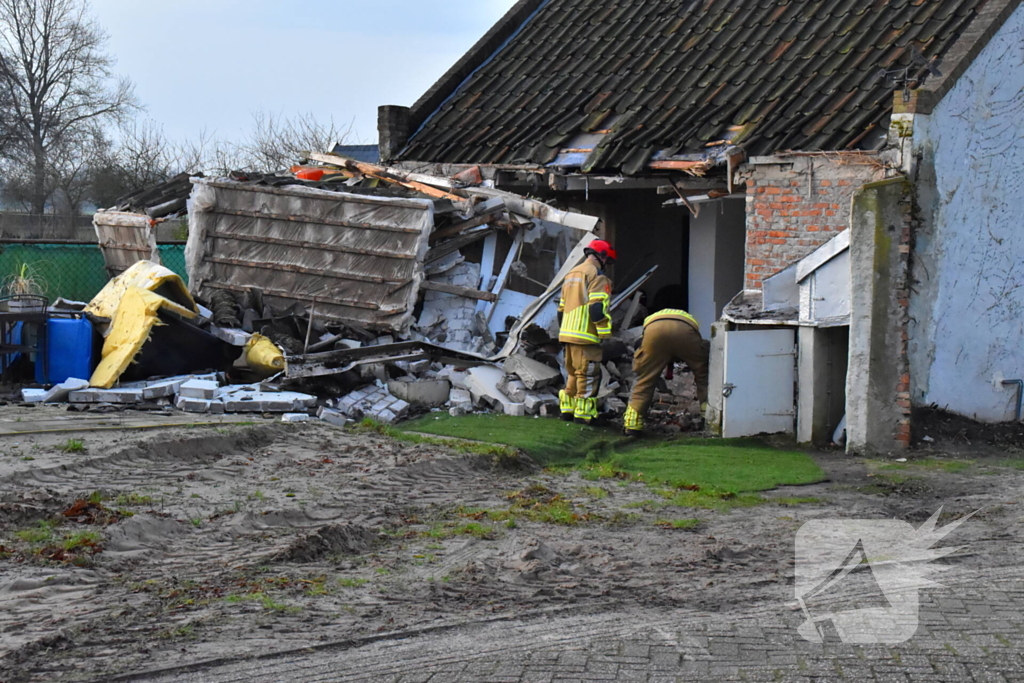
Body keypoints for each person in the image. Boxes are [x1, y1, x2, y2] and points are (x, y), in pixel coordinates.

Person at [623, 308, 709, 436]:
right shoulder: (689, 318)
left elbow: (641, 346)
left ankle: (632, 425)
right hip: (685, 330)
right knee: (703, 378)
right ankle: (708, 417)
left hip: (654, 330)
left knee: (644, 380)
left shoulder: (646, 328)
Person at [557, 239, 616, 424]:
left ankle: (567, 409)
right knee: (588, 375)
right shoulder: (597, 276)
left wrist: (564, 331)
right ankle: (585, 415)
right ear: (601, 256)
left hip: (567, 334)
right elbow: (597, 308)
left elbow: (561, 309)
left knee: (573, 373)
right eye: (607, 260)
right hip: (586, 335)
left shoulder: (571, 274)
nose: (607, 264)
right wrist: (604, 333)